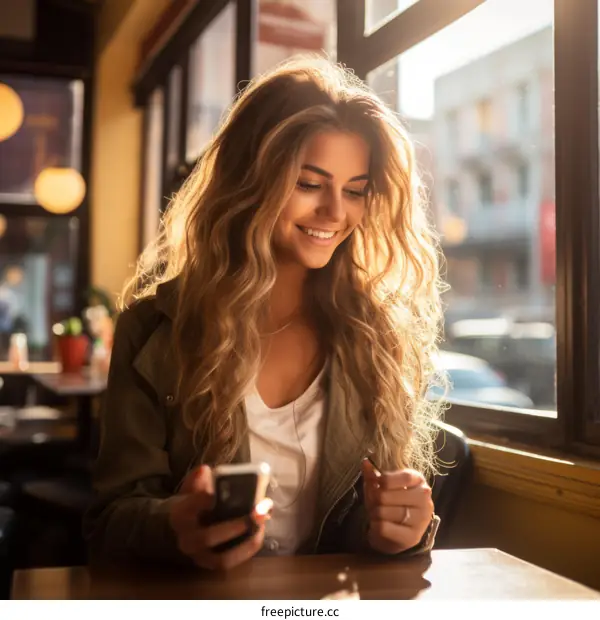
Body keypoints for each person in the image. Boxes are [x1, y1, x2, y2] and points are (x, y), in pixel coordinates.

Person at [84, 55, 446, 570]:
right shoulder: (154, 330)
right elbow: (108, 525)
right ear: (249, 179)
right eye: (308, 183)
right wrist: (174, 527)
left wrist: (401, 532)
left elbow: (371, 524)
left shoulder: (375, 337)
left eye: (355, 191)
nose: (335, 213)